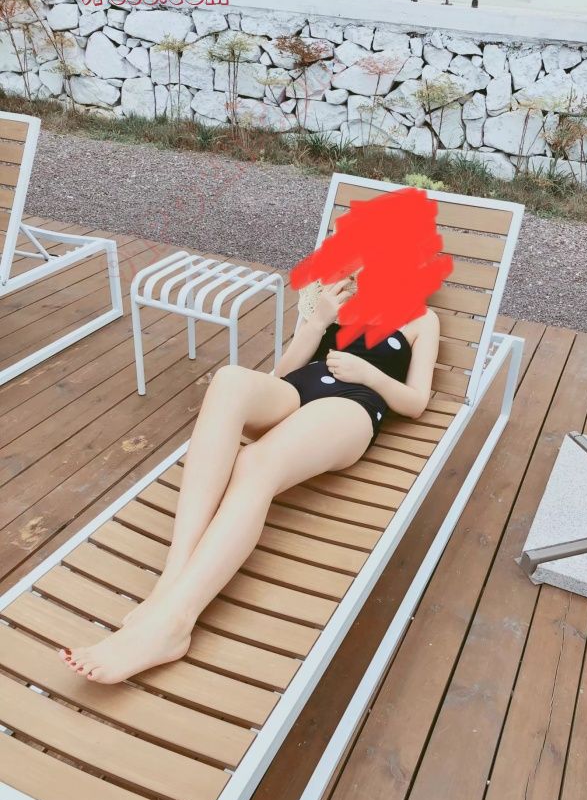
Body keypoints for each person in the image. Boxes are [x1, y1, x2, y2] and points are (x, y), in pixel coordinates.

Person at [59, 278, 440, 684]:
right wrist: (317, 322)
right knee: (230, 379)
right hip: (294, 393)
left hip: (349, 408)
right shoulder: (332, 297)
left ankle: (174, 622)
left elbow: (417, 402)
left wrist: (370, 375)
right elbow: (284, 373)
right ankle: (172, 579)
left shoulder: (421, 318)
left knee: (255, 463)